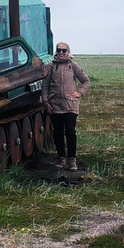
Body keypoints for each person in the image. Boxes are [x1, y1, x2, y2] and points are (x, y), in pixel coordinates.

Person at [41, 42, 90, 171]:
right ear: (56, 51)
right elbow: (45, 85)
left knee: (70, 132)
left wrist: (79, 93)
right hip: (55, 105)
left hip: (70, 105)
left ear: (68, 52)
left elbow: (86, 81)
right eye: (59, 50)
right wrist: (46, 102)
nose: (61, 53)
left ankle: (72, 160)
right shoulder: (51, 67)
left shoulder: (73, 66)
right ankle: (61, 158)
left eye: (64, 50)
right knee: (57, 133)